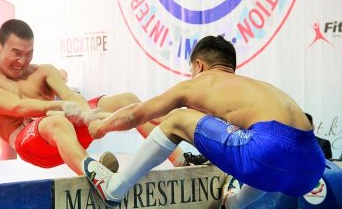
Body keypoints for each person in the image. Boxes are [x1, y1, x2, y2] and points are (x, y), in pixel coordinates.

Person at [82, 35, 326, 208]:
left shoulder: (201, 82)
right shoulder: (252, 90)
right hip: (312, 167)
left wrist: (101, 126)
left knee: (180, 117)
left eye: (191, 70)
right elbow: (171, 123)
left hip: (266, 152)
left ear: (199, 65)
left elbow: (139, 115)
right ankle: (232, 204)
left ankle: (114, 188)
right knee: (265, 152)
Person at [0, 19, 185, 181]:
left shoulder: (43, 71)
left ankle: (180, 158)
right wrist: (60, 105)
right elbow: (18, 107)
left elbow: (69, 95)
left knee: (126, 100)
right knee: (58, 121)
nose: (22, 61)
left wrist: (89, 116)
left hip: (66, 134)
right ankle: (100, 177)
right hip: (34, 147)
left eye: (29, 54)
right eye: (16, 53)